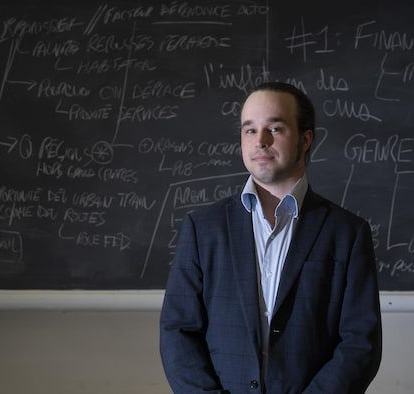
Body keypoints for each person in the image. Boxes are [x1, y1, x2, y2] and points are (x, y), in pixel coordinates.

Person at [160, 82, 382, 393]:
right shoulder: (203, 228)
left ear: (306, 139)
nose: (260, 141)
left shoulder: (347, 233)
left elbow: (361, 342)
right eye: (249, 130)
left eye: (274, 128)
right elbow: (178, 330)